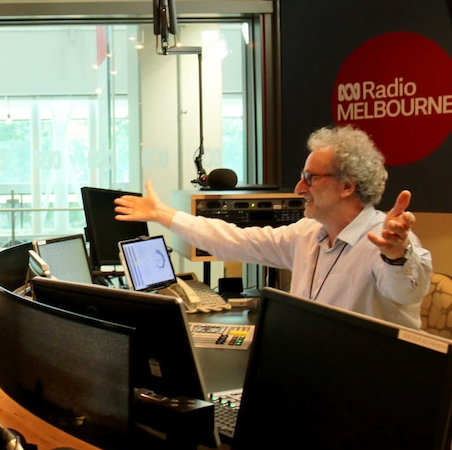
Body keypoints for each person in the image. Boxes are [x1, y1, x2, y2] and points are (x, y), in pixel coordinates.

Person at [114, 124, 432, 329]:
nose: (298, 188)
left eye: (310, 178)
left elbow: (405, 291)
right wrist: (165, 214)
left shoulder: (384, 239)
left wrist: (397, 255)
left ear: (347, 186)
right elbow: (234, 240)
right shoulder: (307, 233)